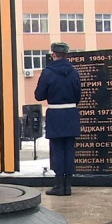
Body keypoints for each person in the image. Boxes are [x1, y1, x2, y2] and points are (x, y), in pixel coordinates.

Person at [34, 42, 81, 196]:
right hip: (71, 114)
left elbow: (39, 95)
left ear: (53, 54)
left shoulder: (48, 73)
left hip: (55, 114)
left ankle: (59, 185)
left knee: (57, 150)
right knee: (69, 149)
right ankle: (68, 186)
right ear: (66, 55)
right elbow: (78, 96)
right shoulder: (74, 72)